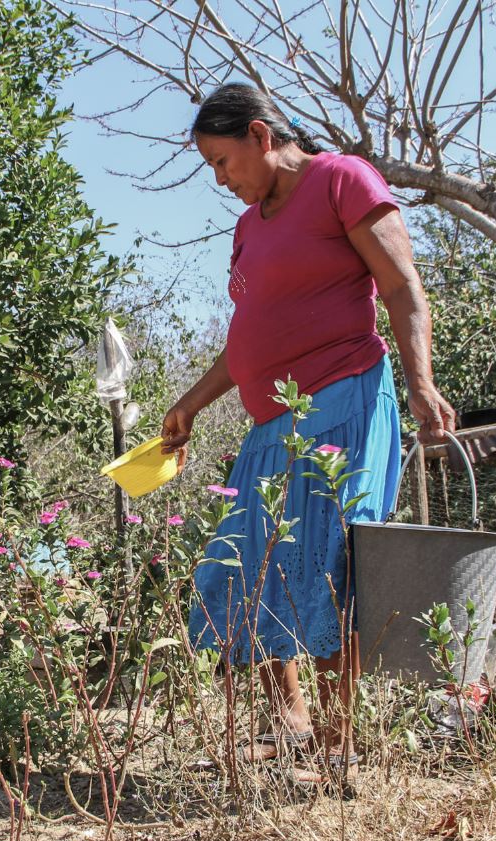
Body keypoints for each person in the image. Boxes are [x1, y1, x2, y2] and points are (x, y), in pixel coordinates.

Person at [161, 83, 455, 785]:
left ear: (261, 137)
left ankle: (338, 741)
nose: (220, 179)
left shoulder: (341, 181)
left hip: (343, 400)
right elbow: (248, 338)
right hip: (271, 423)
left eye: (223, 161)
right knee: (244, 565)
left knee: (327, 563)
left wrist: (421, 382)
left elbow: (402, 288)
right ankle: (289, 724)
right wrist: (192, 403)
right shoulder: (249, 225)